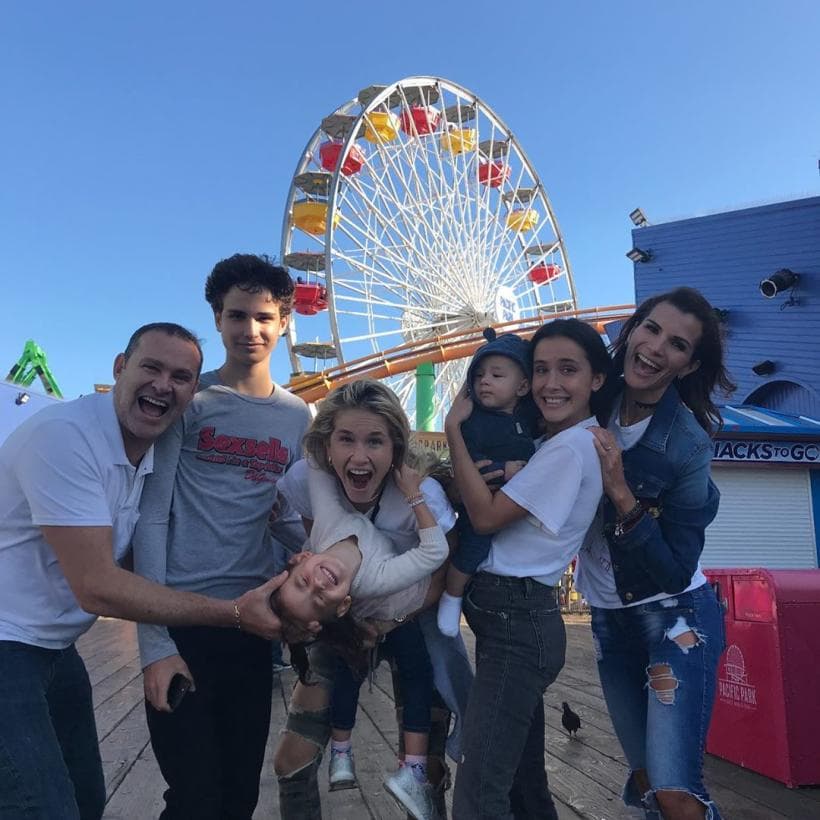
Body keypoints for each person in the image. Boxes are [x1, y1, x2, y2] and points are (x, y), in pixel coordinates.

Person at [0, 322, 288, 820]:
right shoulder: (65, 438)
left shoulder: (145, 455)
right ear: (118, 368)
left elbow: (131, 555)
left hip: (54, 648)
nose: (163, 385)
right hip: (8, 644)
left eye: (180, 377)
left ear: (192, 392)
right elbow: (98, 587)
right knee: (42, 806)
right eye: (150, 368)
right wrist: (233, 614)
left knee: (86, 800)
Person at [132, 255, 311, 820]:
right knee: (193, 798)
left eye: (263, 317)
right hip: (183, 620)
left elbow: (284, 514)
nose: (249, 330)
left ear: (284, 323)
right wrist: (155, 645)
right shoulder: (190, 402)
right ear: (216, 318)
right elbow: (152, 518)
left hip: (253, 625)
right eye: (237, 315)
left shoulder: (298, 417)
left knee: (236, 795)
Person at [574, 287, 735, 820]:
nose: (655, 347)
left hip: (675, 619)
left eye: (677, 344)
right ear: (632, 329)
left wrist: (621, 492)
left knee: (675, 792)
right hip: (608, 620)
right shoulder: (585, 396)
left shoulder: (687, 445)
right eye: (651, 328)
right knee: (646, 783)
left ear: (689, 367)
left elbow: (675, 567)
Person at [445, 318, 612, 820]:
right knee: (521, 781)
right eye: (541, 370)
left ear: (597, 380)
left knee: (480, 788)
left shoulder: (571, 448)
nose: (550, 384)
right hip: (513, 621)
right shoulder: (550, 446)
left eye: (568, 370)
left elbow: (485, 516)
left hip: (519, 622)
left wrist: (455, 430)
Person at [273, 379, 460, 820]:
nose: (359, 456)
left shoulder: (423, 495)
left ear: (395, 447)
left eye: (375, 441)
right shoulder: (309, 477)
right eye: (346, 439)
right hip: (345, 616)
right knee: (292, 759)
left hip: (413, 614)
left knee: (427, 761)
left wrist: (393, 622)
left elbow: (444, 567)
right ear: (328, 446)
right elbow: (313, 535)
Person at [436, 327, 536, 637]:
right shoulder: (474, 424)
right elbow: (469, 463)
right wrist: (503, 469)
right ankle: (451, 597)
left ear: (522, 387)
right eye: (478, 376)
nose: (484, 381)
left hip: (515, 509)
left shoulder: (528, 419)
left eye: (496, 375)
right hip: (482, 503)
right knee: (471, 551)